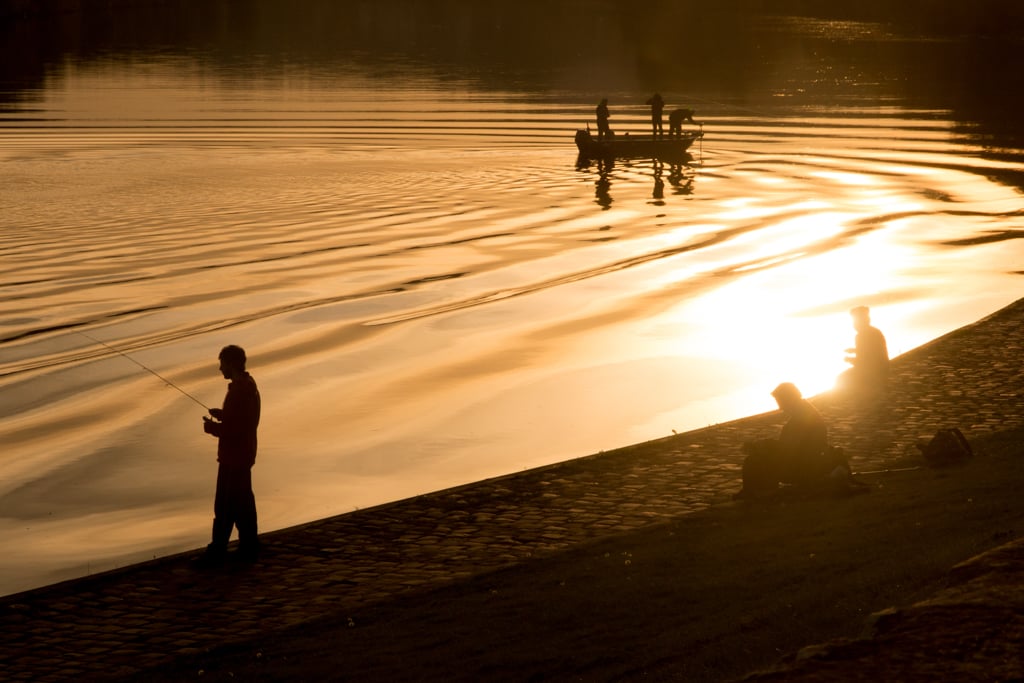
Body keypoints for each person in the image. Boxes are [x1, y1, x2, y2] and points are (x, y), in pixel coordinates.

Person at [199, 344, 262, 564]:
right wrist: (223, 415)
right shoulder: (249, 385)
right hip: (244, 454)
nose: (220, 368)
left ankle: (217, 552)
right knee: (243, 503)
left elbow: (234, 430)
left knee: (225, 505)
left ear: (232, 364)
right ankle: (249, 546)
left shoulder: (238, 391)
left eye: (222, 364)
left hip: (233, 457)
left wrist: (212, 428)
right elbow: (241, 421)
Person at [735, 383, 848, 499]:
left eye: (780, 402)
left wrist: (763, 446)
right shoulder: (804, 411)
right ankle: (761, 490)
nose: (780, 407)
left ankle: (755, 492)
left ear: (788, 398)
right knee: (759, 454)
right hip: (805, 462)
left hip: (803, 467)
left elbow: (788, 450)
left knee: (753, 460)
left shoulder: (803, 417)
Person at [839, 306, 889, 393]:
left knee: (841, 380)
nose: (854, 325)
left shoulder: (862, 336)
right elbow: (869, 351)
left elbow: (865, 361)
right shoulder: (874, 331)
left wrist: (849, 359)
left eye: (855, 321)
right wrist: (855, 350)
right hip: (881, 369)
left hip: (872, 373)